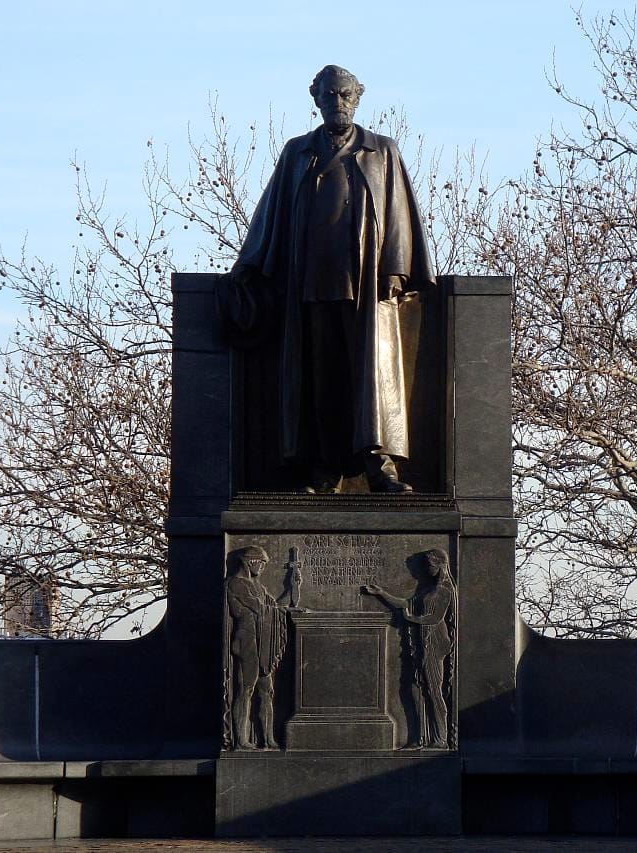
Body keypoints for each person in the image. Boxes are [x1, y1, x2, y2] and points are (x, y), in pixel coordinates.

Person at [222, 64, 435, 493]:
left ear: (358, 97)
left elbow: (397, 214)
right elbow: (272, 214)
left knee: (372, 379)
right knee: (320, 377)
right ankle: (325, 467)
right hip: (312, 284)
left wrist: (396, 267)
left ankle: (380, 467)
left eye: (344, 95)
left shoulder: (382, 150)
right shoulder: (298, 152)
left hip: (368, 286)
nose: (337, 103)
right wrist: (248, 262)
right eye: (329, 96)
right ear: (315, 98)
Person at [362, 549, 455, 748]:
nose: (424, 570)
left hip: (433, 642)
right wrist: (382, 594)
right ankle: (420, 737)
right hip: (421, 641)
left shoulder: (445, 590)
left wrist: (410, 618)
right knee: (416, 688)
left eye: (428, 565)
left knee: (432, 689)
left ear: (439, 566)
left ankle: (440, 738)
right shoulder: (427, 590)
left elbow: (435, 618)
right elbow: (407, 603)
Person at [226, 545, 288, 749]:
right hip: (247, 642)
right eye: (260, 563)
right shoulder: (236, 584)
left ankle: (268, 739)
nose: (262, 568)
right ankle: (241, 740)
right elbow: (259, 608)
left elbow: (273, 606)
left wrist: (291, 603)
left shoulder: (259, 587)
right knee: (246, 689)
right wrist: (276, 610)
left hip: (263, 643)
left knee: (267, 691)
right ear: (249, 562)